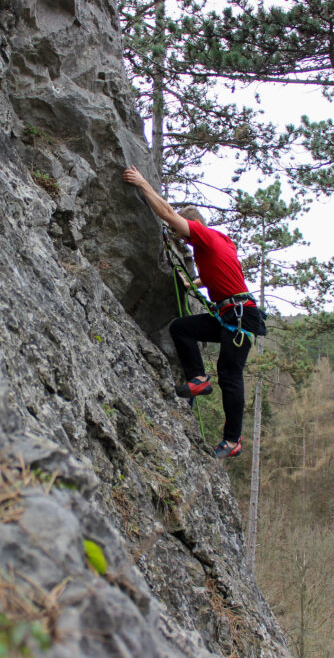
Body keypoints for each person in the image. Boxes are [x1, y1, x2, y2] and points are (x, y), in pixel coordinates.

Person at [122, 166, 266, 458]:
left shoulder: (205, 236)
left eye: (181, 231)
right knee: (182, 328)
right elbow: (224, 273)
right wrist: (194, 282)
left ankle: (233, 439)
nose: (181, 238)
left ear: (194, 225)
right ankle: (198, 378)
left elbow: (165, 213)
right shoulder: (221, 242)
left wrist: (143, 184)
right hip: (231, 313)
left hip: (240, 316)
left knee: (229, 374)